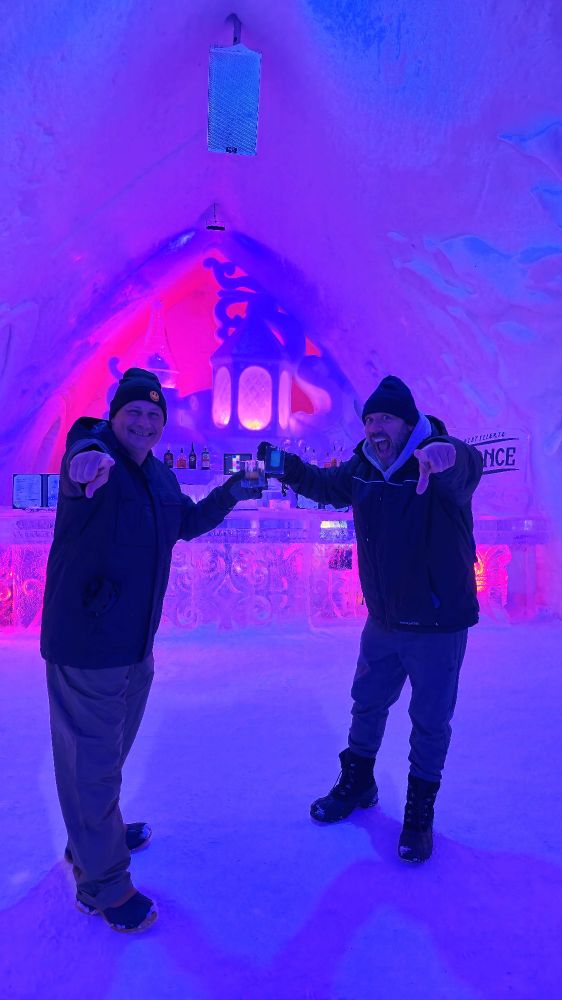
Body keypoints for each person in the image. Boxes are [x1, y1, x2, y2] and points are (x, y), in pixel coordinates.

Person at [41, 367, 260, 932]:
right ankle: (104, 885)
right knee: (91, 758)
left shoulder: (159, 478)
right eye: (133, 412)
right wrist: (83, 464)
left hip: (135, 644)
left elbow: (185, 522)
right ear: (115, 416)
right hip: (88, 641)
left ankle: (90, 837)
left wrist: (232, 493)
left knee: (107, 752)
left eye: (153, 415)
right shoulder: (97, 458)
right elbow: (78, 464)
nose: (143, 421)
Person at [258, 375, 483, 863]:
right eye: (370, 419)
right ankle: (358, 783)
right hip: (383, 620)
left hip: (438, 625)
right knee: (367, 703)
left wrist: (448, 456)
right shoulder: (363, 468)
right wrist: (286, 467)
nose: (376, 427)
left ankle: (419, 814)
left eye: (386, 418)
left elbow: (467, 467)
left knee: (429, 720)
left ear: (409, 423)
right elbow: (324, 485)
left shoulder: (434, 460)